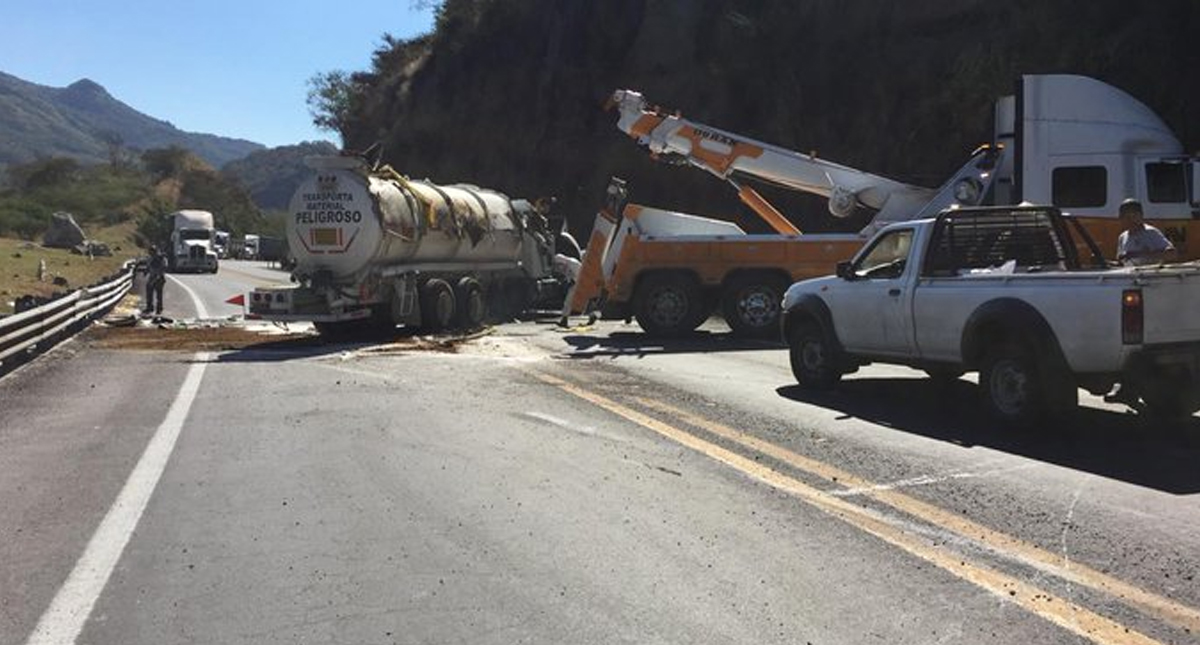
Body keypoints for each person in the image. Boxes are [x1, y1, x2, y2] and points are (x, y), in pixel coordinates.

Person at [1116, 199, 1175, 266]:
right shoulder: (1122, 237)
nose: (1131, 220)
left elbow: (1172, 253)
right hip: (1129, 275)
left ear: (1141, 216)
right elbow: (1121, 263)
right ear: (1121, 219)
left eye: (1134, 216)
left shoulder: (1151, 232)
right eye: (1127, 217)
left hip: (1149, 275)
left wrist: (1140, 255)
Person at [144, 246, 167, 315]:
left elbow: (164, 267)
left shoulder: (161, 258)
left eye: (151, 251)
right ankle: (150, 307)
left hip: (159, 277)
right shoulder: (150, 258)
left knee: (159, 294)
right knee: (149, 292)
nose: (150, 253)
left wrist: (158, 275)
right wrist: (146, 271)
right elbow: (148, 266)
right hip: (152, 276)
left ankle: (159, 308)